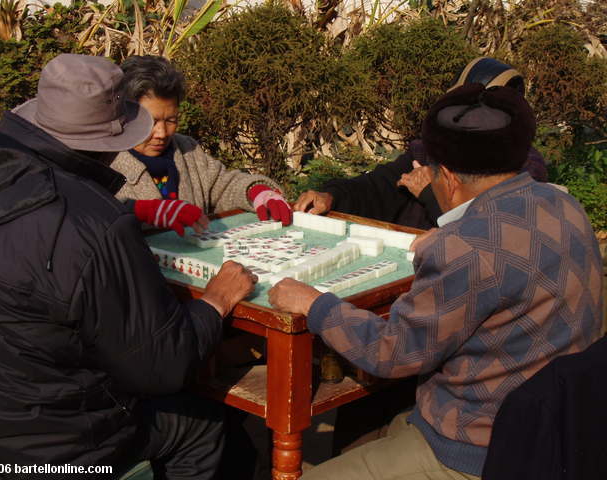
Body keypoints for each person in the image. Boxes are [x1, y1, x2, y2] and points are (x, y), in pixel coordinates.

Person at [268, 83, 603, 479]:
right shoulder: (565, 205)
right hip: (565, 422)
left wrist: (313, 302)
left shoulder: (465, 247)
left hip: (482, 447)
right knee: (384, 429)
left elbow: (390, 354)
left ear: (444, 175)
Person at [0, 54, 259, 479]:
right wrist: (215, 300)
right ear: (110, 141)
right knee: (204, 424)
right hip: (63, 449)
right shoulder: (95, 222)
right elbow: (162, 366)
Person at [294, 57, 548, 230]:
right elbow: (380, 185)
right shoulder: (433, 151)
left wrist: (430, 193)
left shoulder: (526, 170)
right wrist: (332, 196)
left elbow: (487, 235)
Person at [110, 55, 292, 235]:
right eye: (151, 122)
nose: (162, 133)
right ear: (126, 115)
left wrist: (257, 191)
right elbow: (92, 216)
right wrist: (140, 212)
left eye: (171, 120)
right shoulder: (105, 161)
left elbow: (222, 186)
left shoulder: (186, 149)